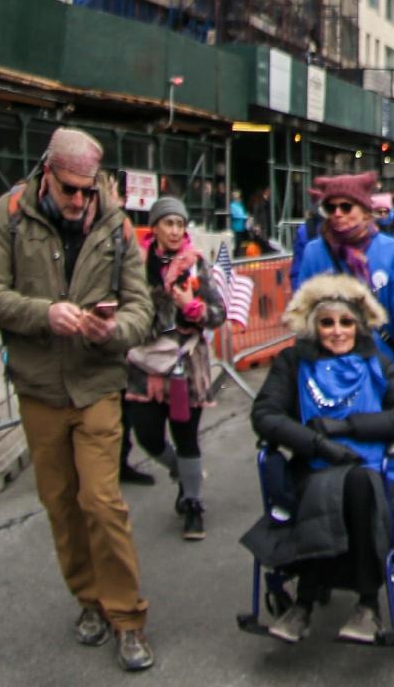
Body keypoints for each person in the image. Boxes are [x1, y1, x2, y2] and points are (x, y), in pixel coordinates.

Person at [0, 128, 156, 671]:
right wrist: (44, 314)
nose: (78, 201)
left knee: (102, 503)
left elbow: (142, 309)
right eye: (69, 189)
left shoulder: (117, 227)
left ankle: (128, 618)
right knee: (62, 504)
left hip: (96, 385)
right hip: (39, 387)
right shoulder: (10, 216)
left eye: (87, 191)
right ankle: (88, 600)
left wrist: (110, 332)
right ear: (47, 173)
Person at [244, 275, 394, 645]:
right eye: (327, 322)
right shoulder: (292, 362)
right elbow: (265, 414)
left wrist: (346, 426)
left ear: (359, 325)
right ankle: (317, 602)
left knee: (356, 484)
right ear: (313, 325)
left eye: (346, 322)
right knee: (327, 486)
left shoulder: (375, 358)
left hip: (372, 471)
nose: (338, 331)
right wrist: (317, 444)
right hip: (313, 467)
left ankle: (358, 603)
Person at [122, 197, 224, 542]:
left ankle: (193, 504)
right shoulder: (135, 263)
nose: (176, 231)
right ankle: (184, 474)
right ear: (155, 227)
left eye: (180, 224)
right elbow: (125, 306)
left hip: (185, 364)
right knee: (147, 436)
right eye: (168, 223)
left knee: (186, 438)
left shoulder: (195, 265)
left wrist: (192, 307)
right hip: (144, 364)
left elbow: (218, 313)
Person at [293, 172, 394, 365]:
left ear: (365, 211)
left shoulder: (392, 250)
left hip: (383, 363)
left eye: (346, 207)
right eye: (330, 207)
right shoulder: (314, 252)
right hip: (329, 363)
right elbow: (303, 305)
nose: (337, 213)